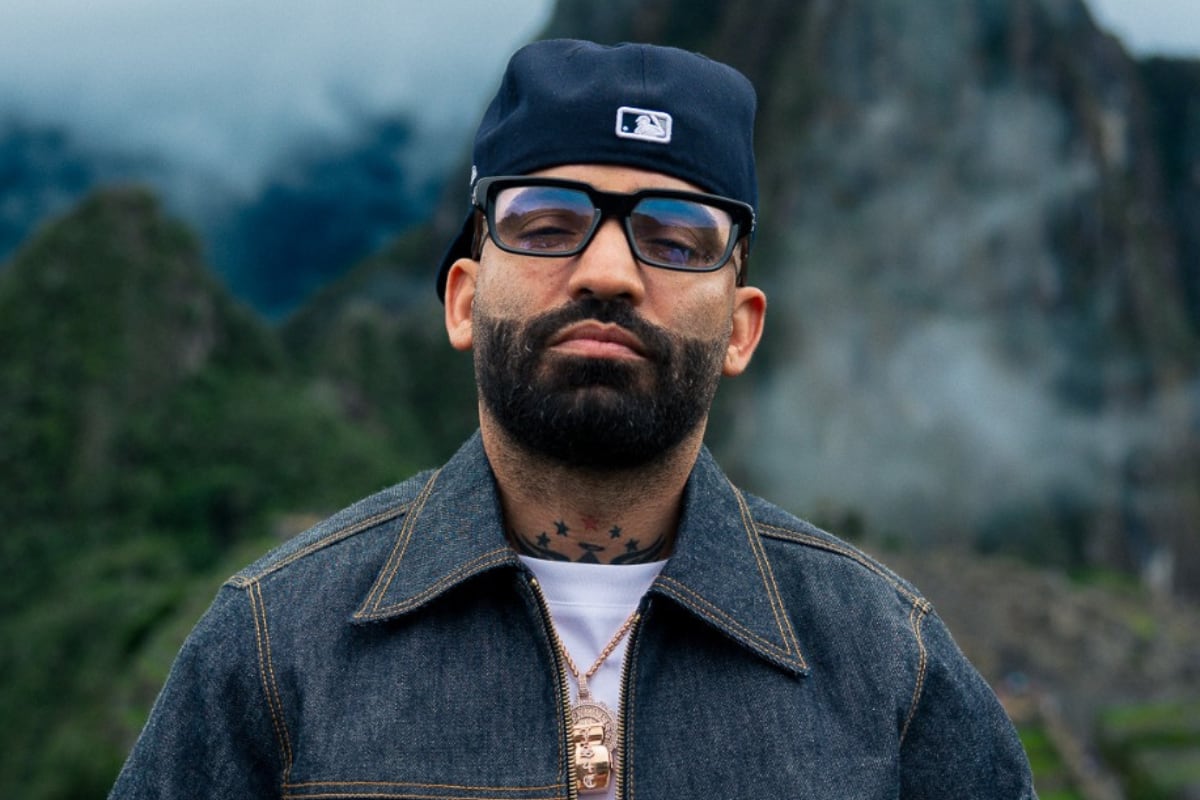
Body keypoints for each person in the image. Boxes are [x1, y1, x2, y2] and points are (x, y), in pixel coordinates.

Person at [109, 39, 1036, 799]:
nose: (607, 272)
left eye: (677, 238)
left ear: (741, 328)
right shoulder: (275, 647)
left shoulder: (889, 665)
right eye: (548, 225)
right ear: (464, 298)